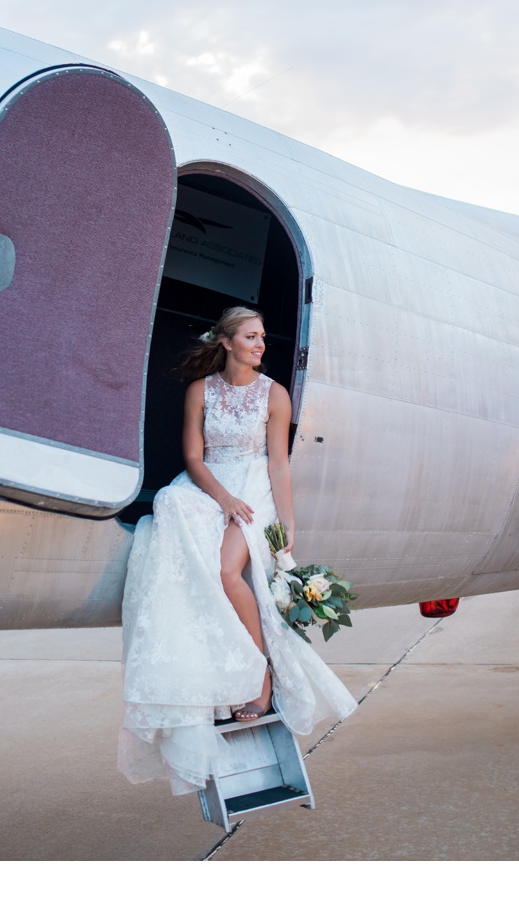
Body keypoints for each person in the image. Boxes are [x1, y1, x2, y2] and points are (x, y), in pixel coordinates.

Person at [119, 306, 355, 797]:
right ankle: (207, 666)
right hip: (212, 485)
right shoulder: (200, 391)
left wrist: (286, 523)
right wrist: (221, 498)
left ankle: (260, 674)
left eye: (263, 338)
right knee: (168, 504)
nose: (260, 345)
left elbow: (279, 464)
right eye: (251, 337)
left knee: (228, 572)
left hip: (256, 490)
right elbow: (191, 457)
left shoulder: (275, 394)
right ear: (226, 342)